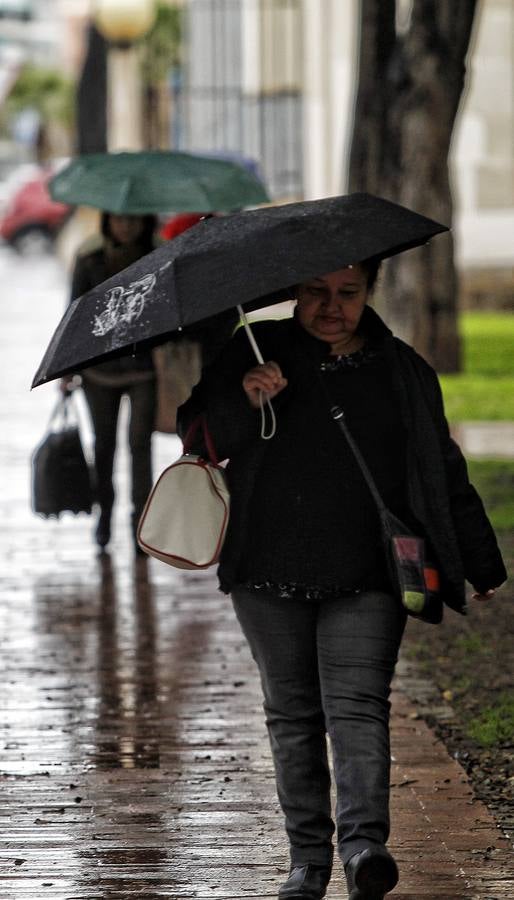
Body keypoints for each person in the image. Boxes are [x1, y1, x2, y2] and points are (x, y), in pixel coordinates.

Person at [177, 260, 507, 900]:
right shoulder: (257, 349)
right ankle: (307, 860)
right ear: (295, 292)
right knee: (293, 713)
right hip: (265, 569)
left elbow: (441, 467)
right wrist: (245, 398)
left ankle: (363, 849)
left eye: (348, 294)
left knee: (357, 706)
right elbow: (196, 435)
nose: (332, 307)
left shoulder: (402, 368)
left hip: (370, 571)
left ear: (370, 291)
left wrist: (479, 559)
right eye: (315, 292)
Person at [62, 212, 160, 553]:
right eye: (119, 220)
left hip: (144, 366)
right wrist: (67, 367)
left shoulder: (159, 258)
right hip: (99, 370)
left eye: (134, 220)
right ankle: (105, 513)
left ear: (145, 222)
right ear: (108, 222)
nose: (127, 226)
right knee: (104, 446)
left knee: (140, 445)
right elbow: (73, 314)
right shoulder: (90, 258)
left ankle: (140, 524)